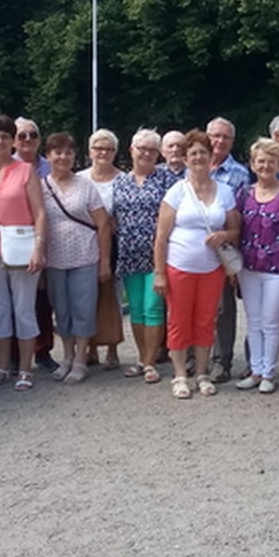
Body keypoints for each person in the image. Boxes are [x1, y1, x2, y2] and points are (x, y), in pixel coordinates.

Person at [154, 129, 241, 399]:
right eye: (193, 153)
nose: (198, 157)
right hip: (179, 267)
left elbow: (235, 230)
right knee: (179, 320)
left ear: (210, 156)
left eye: (203, 152)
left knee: (205, 320)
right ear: (185, 158)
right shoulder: (176, 191)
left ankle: (202, 372)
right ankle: (180, 374)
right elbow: (161, 237)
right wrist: (160, 272)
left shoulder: (225, 192)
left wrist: (224, 235)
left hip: (211, 269)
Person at [0, 114, 47, 392]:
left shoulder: (26, 171)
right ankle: (3, 366)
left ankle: (25, 368)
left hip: (21, 250)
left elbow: (40, 213)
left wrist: (38, 248)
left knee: (23, 309)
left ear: (12, 141)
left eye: (5, 136)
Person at [236, 137, 279, 393]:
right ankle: (255, 370)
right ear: (253, 164)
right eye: (261, 161)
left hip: (278, 269)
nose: (265, 166)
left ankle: (268, 373)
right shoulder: (244, 194)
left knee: (270, 321)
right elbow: (238, 228)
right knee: (253, 321)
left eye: (271, 161)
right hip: (249, 267)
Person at [41, 132, 111, 384]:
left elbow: (103, 224)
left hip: (84, 256)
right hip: (54, 259)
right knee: (61, 309)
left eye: (68, 152)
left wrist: (104, 262)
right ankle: (67, 356)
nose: (63, 157)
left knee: (83, 308)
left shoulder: (86, 186)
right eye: (58, 152)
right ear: (48, 155)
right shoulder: (41, 187)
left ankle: (81, 358)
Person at [114, 129, 177, 383]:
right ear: (131, 150)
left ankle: (151, 362)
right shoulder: (120, 181)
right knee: (137, 309)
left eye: (152, 150)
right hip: (129, 254)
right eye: (142, 149)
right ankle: (141, 358)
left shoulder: (166, 180)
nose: (147, 154)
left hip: (157, 255)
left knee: (153, 308)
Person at [206, 116, 251, 382]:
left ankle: (221, 361)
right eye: (215, 135)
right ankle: (194, 357)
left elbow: (242, 219)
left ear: (232, 141)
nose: (219, 141)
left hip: (224, 250)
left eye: (225, 137)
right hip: (193, 250)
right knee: (196, 305)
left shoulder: (240, 174)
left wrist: (234, 259)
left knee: (223, 308)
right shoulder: (193, 167)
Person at [79, 129, 124, 371]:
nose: (103, 153)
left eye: (108, 149)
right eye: (98, 148)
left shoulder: (123, 179)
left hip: (114, 244)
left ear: (115, 152)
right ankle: (91, 348)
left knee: (112, 297)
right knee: (88, 297)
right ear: (90, 151)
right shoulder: (80, 178)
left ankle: (113, 349)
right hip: (84, 243)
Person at [15, 116, 57, 371]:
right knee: (16, 300)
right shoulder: (6, 166)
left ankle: (43, 350)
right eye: (22, 135)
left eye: (33, 134)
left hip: (48, 238)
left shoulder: (51, 167)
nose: (28, 139)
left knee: (43, 299)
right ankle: (14, 356)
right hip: (16, 240)